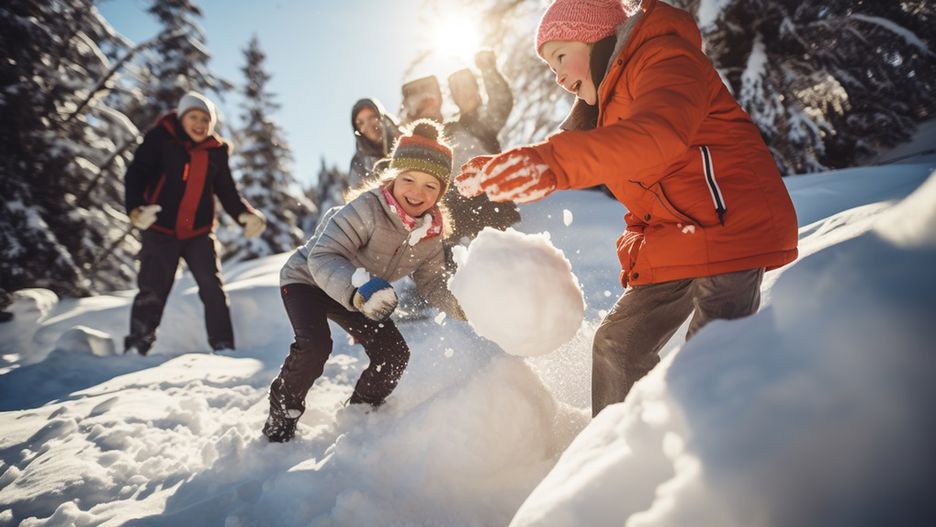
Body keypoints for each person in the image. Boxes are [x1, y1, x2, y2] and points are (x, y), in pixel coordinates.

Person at [456, 0, 798, 416]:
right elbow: (625, 178)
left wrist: (551, 162)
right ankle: (606, 455)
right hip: (681, 236)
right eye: (550, 68)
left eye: (561, 57)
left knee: (709, 360)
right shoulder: (603, 111)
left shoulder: (664, 57)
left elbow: (657, 134)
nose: (559, 78)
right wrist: (503, 166)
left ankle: (708, 457)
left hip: (730, 226)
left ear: (599, 39)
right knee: (617, 344)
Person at [263, 120, 465, 443]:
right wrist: (357, 291)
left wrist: (461, 303)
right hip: (308, 279)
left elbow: (431, 284)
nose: (417, 192)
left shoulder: (430, 235)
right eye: (409, 179)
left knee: (393, 353)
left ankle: (360, 415)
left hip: (361, 292)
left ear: (441, 192)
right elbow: (323, 255)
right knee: (315, 346)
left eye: (431, 186)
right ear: (393, 177)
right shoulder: (368, 208)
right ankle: (281, 419)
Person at [124, 91, 267, 356]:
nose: (200, 124)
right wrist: (135, 208)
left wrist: (245, 215)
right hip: (160, 229)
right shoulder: (161, 138)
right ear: (181, 117)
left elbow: (227, 191)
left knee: (213, 289)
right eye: (193, 117)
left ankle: (224, 347)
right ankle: (137, 346)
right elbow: (137, 173)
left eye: (205, 119)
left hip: (199, 232)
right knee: (152, 289)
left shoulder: (216, 151)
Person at [443, 51, 521, 239]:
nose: (465, 93)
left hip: (488, 195)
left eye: (468, 87)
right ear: (454, 98)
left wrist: (488, 69)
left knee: (492, 249)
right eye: (459, 91)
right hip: (454, 200)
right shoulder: (448, 129)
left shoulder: (484, 120)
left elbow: (502, 102)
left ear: (478, 90)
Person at [348, 98, 400, 189]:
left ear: (381, 116)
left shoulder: (406, 138)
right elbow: (358, 196)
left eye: (372, 117)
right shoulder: (359, 163)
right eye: (360, 123)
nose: (368, 125)